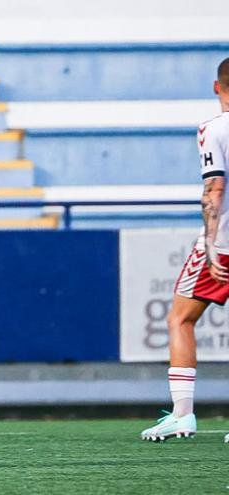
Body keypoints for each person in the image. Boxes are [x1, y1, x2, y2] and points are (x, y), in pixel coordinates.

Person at [141, 57, 229, 442]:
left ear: (216, 87)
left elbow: (214, 188)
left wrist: (210, 245)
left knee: (181, 318)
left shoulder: (214, 129)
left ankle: (182, 413)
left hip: (224, 242)